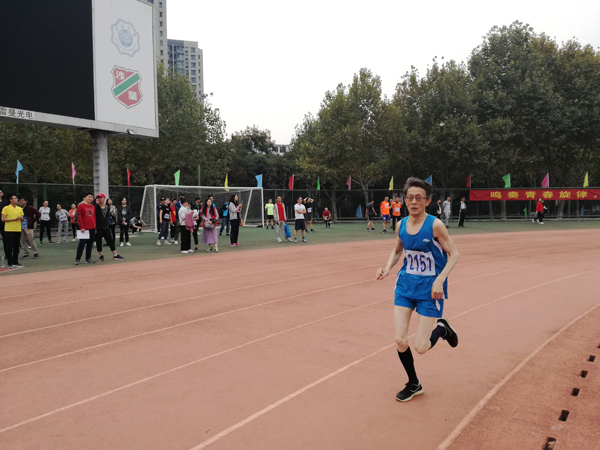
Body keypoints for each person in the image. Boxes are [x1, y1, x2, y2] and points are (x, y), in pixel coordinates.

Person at [376, 177, 460, 402]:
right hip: (405, 286)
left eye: (419, 198)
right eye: (410, 197)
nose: (414, 202)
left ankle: (442, 328)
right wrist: (387, 268)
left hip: (429, 291)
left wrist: (440, 279)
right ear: (405, 200)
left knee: (421, 347)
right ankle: (414, 383)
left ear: (427, 201)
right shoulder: (401, 225)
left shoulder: (435, 225)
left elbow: (454, 254)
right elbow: (397, 251)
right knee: (400, 340)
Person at [95, 194, 125, 262]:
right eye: (98, 198)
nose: (99, 199)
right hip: (98, 227)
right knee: (99, 241)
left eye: (101, 198)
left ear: (104, 198)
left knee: (110, 240)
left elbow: (107, 216)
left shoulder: (107, 207)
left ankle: (115, 255)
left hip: (106, 227)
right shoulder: (96, 207)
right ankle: (100, 255)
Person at [1, 194, 25, 269]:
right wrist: (14, 219)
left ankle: (15, 262)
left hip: (17, 229)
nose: (17, 199)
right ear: (10, 200)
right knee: (9, 247)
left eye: (16, 198)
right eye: (15, 198)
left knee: (16, 247)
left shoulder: (19, 209)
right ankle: (10, 263)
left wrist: (21, 219)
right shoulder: (6, 208)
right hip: (9, 230)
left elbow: (22, 219)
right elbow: (3, 219)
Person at [75, 193, 97, 265]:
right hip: (84, 229)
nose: (90, 198)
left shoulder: (93, 207)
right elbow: (79, 217)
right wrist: (81, 227)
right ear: (85, 197)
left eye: (92, 197)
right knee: (82, 244)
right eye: (89, 197)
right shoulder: (80, 206)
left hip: (92, 228)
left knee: (90, 244)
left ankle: (88, 258)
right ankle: (77, 258)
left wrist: (95, 227)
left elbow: (94, 217)